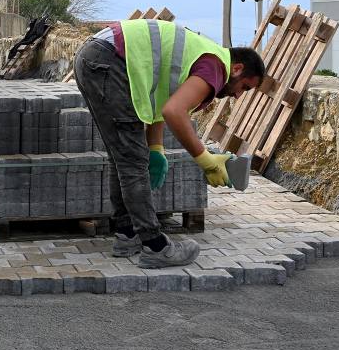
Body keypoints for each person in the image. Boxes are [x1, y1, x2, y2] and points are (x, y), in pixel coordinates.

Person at [74, 19, 266, 268]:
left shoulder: (202, 57)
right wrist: (205, 159)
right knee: (132, 161)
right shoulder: (215, 67)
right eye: (244, 87)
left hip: (97, 58)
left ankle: (127, 234)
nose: (238, 95)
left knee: (122, 156)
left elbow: (161, 98)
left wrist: (156, 148)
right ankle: (156, 246)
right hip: (109, 61)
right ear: (237, 69)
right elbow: (175, 111)